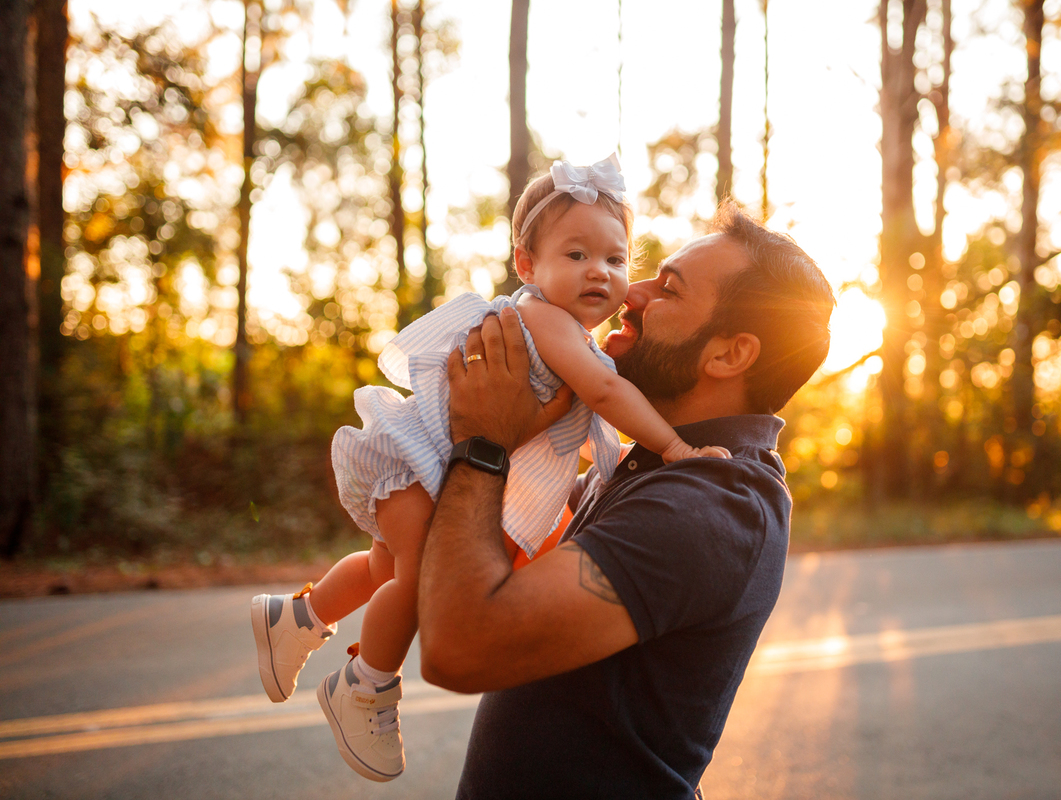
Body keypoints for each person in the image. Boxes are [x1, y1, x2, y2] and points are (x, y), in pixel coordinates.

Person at [248, 154, 728, 782]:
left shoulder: (563, 333)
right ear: (528, 265)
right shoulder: (546, 320)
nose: (600, 274)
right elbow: (606, 397)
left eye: (615, 260)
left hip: (423, 462)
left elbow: (561, 429)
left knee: (384, 565)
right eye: (576, 255)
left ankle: (296, 617)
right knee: (420, 581)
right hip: (422, 459)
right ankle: (364, 685)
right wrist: (674, 449)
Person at [413, 202, 835, 799]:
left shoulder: (713, 505)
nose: (627, 291)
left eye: (668, 288)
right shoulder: (646, 465)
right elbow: (490, 560)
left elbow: (459, 647)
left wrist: (482, 446)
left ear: (728, 355)